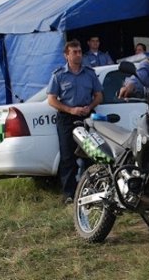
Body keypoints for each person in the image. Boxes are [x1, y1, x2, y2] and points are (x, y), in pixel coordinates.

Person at [47, 40, 103, 204]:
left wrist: (90, 106)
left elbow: (99, 95)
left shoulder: (89, 73)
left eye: (79, 51)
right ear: (66, 55)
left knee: (90, 155)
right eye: (74, 52)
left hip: (86, 116)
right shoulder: (59, 75)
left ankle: (92, 190)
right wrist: (71, 110)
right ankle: (69, 194)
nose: (78, 54)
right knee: (68, 157)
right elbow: (51, 99)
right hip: (67, 117)